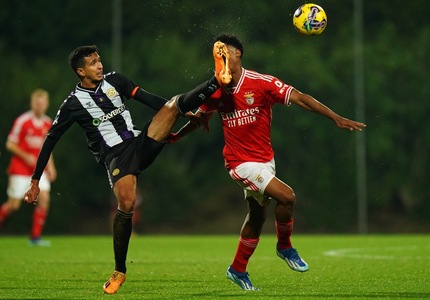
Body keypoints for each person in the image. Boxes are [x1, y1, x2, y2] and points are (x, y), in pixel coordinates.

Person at [23, 43, 231, 294]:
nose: (99, 65)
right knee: (127, 203)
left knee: (174, 104)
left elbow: (148, 98)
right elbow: (50, 139)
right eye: (93, 63)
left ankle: (216, 79)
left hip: (139, 141)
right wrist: (35, 180)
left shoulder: (116, 81)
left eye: (99, 60)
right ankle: (119, 270)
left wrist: (187, 114)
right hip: (116, 157)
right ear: (80, 71)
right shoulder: (73, 104)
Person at [168, 33, 367, 291]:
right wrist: (176, 136)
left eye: (226, 51)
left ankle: (237, 269)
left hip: (265, 161)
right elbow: (199, 118)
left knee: (257, 216)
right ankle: (285, 247)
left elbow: (301, 97)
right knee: (288, 197)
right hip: (239, 163)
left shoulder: (261, 83)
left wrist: (335, 118)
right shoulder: (216, 90)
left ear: (238, 54)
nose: (222, 56)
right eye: (218, 54)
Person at [0, 89, 57, 246]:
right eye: (37, 103)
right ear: (32, 103)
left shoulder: (48, 122)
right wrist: (26, 156)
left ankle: (35, 238)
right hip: (20, 168)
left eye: (42, 103)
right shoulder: (22, 121)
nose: (40, 106)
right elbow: (9, 144)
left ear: (47, 104)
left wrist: (51, 167)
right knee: (14, 205)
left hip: (38, 170)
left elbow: (48, 149)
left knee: (44, 198)